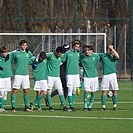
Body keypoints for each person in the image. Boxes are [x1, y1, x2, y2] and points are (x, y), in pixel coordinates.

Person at [44, 42, 70, 107]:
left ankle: (64, 105)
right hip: (51, 76)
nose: (59, 55)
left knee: (61, 90)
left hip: (58, 76)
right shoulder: (50, 55)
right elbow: (42, 55)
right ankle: (50, 105)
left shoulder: (62, 57)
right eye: (59, 54)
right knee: (50, 91)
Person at [11, 40, 33, 112]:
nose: (24, 47)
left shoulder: (28, 53)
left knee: (26, 90)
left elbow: (32, 59)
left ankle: (26, 107)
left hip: (26, 75)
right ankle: (13, 107)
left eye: (25, 45)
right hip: (18, 74)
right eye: (23, 45)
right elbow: (8, 58)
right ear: (20, 45)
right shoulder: (15, 53)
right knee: (15, 90)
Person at [61, 40, 81, 111]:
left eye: (78, 47)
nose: (77, 48)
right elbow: (61, 60)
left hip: (76, 74)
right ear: (73, 46)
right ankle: (71, 106)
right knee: (69, 90)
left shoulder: (78, 54)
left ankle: (73, 104)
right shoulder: (67, 53)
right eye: (76, 46)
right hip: (69, 74)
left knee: (74, 91)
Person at [99, 43, 119, 111]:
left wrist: (112, 49)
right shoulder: (103, 55)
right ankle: (103, 106)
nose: (110, 50)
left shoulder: (113, 57)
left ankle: (115, 106)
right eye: (109, 49)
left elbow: (118, 56)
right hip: (105, 75)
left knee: (114, 91)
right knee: (104, 91)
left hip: (113, 75)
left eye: (110, 49)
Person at [79, 45, 100, 111]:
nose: (87, 52)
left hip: (94, 77)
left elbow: (101, 59)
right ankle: (85, 106)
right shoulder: (82, 57)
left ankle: (90, 106)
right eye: (86, 50)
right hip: (86, 76)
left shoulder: (95, 56)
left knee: (93, 92)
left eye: (88, 50)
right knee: (86, 91)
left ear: (91, 51)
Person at [0, 47, 13, 112]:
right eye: (4, 52)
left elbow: (14, 52)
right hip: (1, 78)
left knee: (5, 93)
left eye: (6, 52)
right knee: (1, 93)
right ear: (1, 53)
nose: (6, 54)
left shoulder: (9, 57)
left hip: (7, 77)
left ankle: (2, 107)